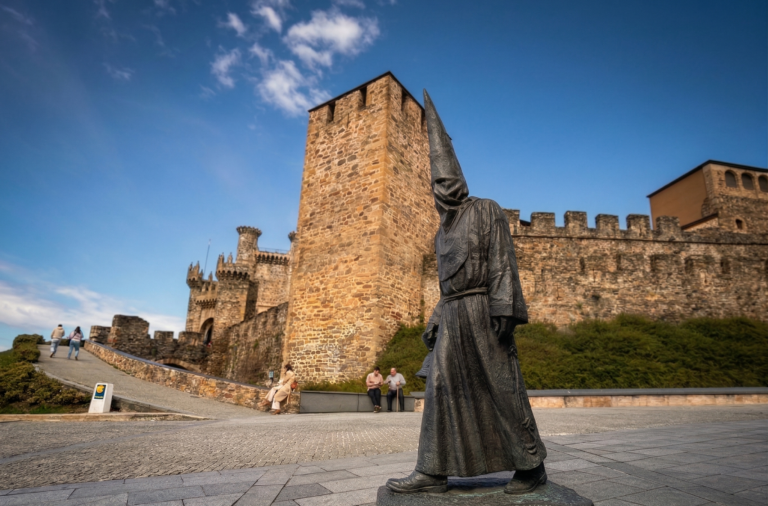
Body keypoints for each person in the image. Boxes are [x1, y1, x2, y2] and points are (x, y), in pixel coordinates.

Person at [386, 91, 547, 496]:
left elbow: (501, 261)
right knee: (440, 389)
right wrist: (436, 318)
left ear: (460, 178)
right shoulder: (440, 235)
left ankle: (530, 465)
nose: (443, 188)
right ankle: (432, 470)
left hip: (482, 311)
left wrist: (503, 307)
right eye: (437, 183)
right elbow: (444, 289)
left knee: (500, 385)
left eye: (448, 180)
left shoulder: (487, 210)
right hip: (453, 316)